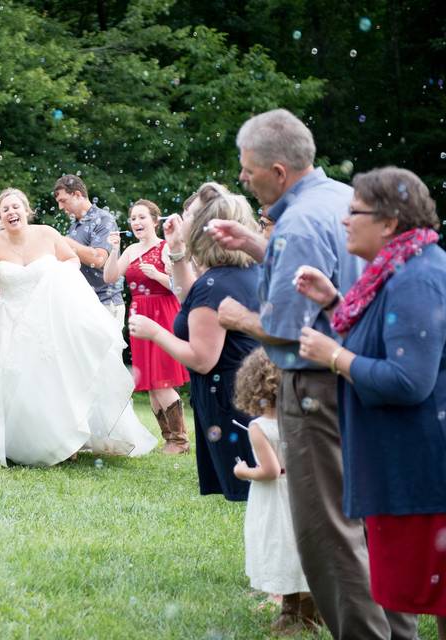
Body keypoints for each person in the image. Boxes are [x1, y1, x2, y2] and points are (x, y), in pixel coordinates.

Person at [208, 109, 417, 638]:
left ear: (278, 172)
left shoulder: (297, 222)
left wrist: (237, 319)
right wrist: (257, 246)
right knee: (372, 523)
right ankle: (399, 631)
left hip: (316, 391)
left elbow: (286, 327)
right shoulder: (343, 199)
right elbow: (332, 279)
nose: (241, 177)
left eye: (247, 167)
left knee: (330, 532)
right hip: (363, 379)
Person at [293, 167, 446, 638]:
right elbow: (389, 343)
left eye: (354, 212)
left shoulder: (418, 277)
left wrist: (334, 355)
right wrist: (335, 303)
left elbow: (408, 380)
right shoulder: (400, 269)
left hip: (425, 478)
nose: (344, 222)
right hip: (410, 473)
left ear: (388, 222)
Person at [0, 188, 157, 466]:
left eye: (16, 207)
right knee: (15, 382)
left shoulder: (47, 233)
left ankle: (65, 439)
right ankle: (22, 442)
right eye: (5, 210)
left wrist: (57, 279)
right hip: (9, 322)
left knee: (55, 380)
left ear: (26, 210)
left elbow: (71, 260)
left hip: (48, 318)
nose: (12, 212)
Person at [127, 185, 259, 501]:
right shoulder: (231, 272)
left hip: (230, 400)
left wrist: (155, 332)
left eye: (190, 213)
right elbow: (188, 298)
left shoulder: (215, 284)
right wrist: (175, 251)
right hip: (239, 394)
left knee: (253, 497)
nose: (182, 216)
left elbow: (202, 359)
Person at [233, 348, 318, 634]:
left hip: (277, 499)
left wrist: (243, 471)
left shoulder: (259, 427)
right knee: (301, 548)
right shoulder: (303, 420)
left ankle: (292, 615)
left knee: (281, 548)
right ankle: (311, 611)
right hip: (303, 492)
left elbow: (269, 471)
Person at [104, 199, 190, 453]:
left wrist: (156, 274)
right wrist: (114, 250)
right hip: (139, 314)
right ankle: (169, 438)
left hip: (162, 312)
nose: (136, 222)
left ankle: (180, 440)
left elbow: (179, 286)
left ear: (155, 220)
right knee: (151, 381)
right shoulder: (131, 250)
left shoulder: (165, 248)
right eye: (133, 218)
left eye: (142, 217)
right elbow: (110, 277)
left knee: (162, 379)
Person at [53, 175, 125, 327]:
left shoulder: (104, 219)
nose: (60, 207)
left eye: (63, 201)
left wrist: (66, 242)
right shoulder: (74, 226)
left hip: (105, 301)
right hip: (84, 302)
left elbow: (99, 259)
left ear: (78, 195)